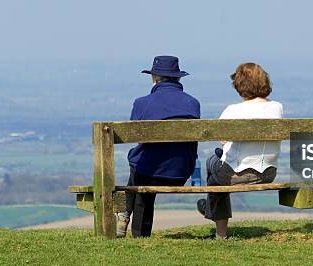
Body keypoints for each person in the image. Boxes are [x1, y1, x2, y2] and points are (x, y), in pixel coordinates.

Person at [117, 55, 200, 238]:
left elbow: (134, 133)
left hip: (148, 174)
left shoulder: (142, 103)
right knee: (140, 163)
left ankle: (131, 225)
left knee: (137, 163)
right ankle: (126, 219)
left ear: (154, 78)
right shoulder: (192, 103)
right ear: (178, 78)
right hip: (180, 172)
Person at [197, 63, 283, 239]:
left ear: (240, 86)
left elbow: (221, 137)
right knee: (216, 169)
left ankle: (220, 231)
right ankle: (211, 210)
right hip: (268, 172)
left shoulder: (233, 110)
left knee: (212, 166)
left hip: (238, 174)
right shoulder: (277, 107)